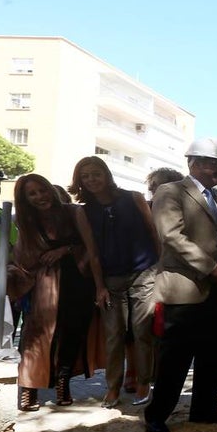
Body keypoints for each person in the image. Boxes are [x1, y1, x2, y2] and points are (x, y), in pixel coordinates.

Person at [142, 138, 217, 432]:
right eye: (214, 164)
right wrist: (210, 267)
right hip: (185, 290)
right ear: (193, 163)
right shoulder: (170, 192)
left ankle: (205, 409)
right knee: (175, 358)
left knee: (214, 355)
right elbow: (172, 236)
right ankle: (157, 414)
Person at [6, 174, 108, 411]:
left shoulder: (73, 212)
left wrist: (67, 250)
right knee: (35, 337)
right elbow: (23, 258)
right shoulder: (27, 220)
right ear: (25, 199)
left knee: (72, 334)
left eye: (41, 190)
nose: (39, 196)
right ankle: (28, 389)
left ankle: (63, 382)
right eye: (32, 194)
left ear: (49, 188)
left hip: (78, 282)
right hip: (45, 285)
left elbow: (92, 249)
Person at [69, 156, 160, 409]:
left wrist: (161, 269)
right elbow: (93, 251)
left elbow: (153, 233)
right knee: (114, 335)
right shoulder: (84, 212)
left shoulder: (134, 198)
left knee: (142, 331)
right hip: (111, 279)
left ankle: (143, 381)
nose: (91, 179)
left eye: (95, 173)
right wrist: (99, 286)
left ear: (106, 174)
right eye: (85, 176)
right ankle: (112, 387)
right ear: (80, 182)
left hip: (144, 273)